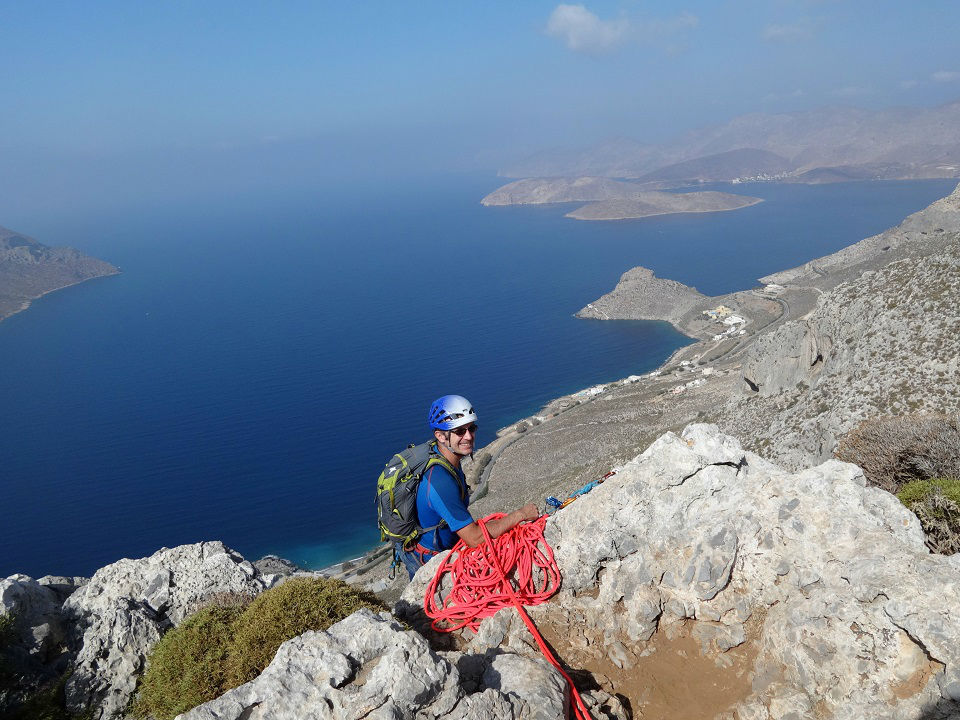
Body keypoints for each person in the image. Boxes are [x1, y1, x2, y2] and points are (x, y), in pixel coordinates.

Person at [397, 394, 539, 580]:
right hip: (428, 561)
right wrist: (521, 514)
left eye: (471, 428)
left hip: (441, 546)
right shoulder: (439, 481)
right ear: (440, 435)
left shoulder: (446, 459)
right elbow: (474, 538)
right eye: (459, 431)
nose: (469, 436)